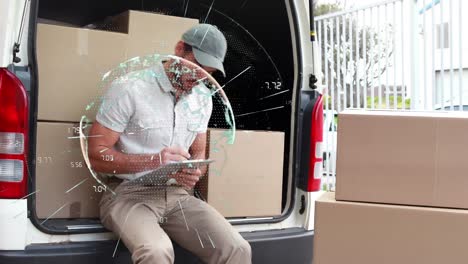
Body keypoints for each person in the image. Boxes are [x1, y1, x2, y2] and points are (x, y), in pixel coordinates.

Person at [87, 24, 252, 264]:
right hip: (128, 195)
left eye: (207, 73)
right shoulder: (129, 88)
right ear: (179, 49)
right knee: (157, 251)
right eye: (195, 67)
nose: (198, 79)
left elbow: (199, 154)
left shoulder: (202, 101)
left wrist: (193, 173)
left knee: (237, 248)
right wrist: (154, 160)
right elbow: (96, 155)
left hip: (178, 196)